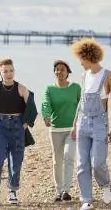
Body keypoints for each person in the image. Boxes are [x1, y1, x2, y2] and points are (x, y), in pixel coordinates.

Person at [71, 38, 111, 210]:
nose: (80, 63)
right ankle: (86, 200)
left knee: (98, 162)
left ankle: (105, 184)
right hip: (82, 123)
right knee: (82, 164)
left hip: (100, 123)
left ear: (87, 56)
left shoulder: (108, 75)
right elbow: (80, 103)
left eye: (80, 59)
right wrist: (74, 124)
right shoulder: (83, 76)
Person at [0, 58, 37, 205]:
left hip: (17, 126)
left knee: (16, 160)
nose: (9, 74)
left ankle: (12, 191)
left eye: (11, 70)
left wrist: (26, 124)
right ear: (0, 72)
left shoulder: (21, 88)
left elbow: (32, 107)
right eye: (5, 71)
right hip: (0, 126)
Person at [41, 59, 81, 202]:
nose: (59, 72)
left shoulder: (76, 87)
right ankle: (58, 190)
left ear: (68, 72)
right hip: (55, 129)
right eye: (57, 69)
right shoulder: (49, 89)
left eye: (62, 69)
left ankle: (66, 190)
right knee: (57, 161)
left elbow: (81, 106)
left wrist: (79, 125)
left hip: (72, 129)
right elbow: (46, 103)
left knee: (69, 157)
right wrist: (46, 116)